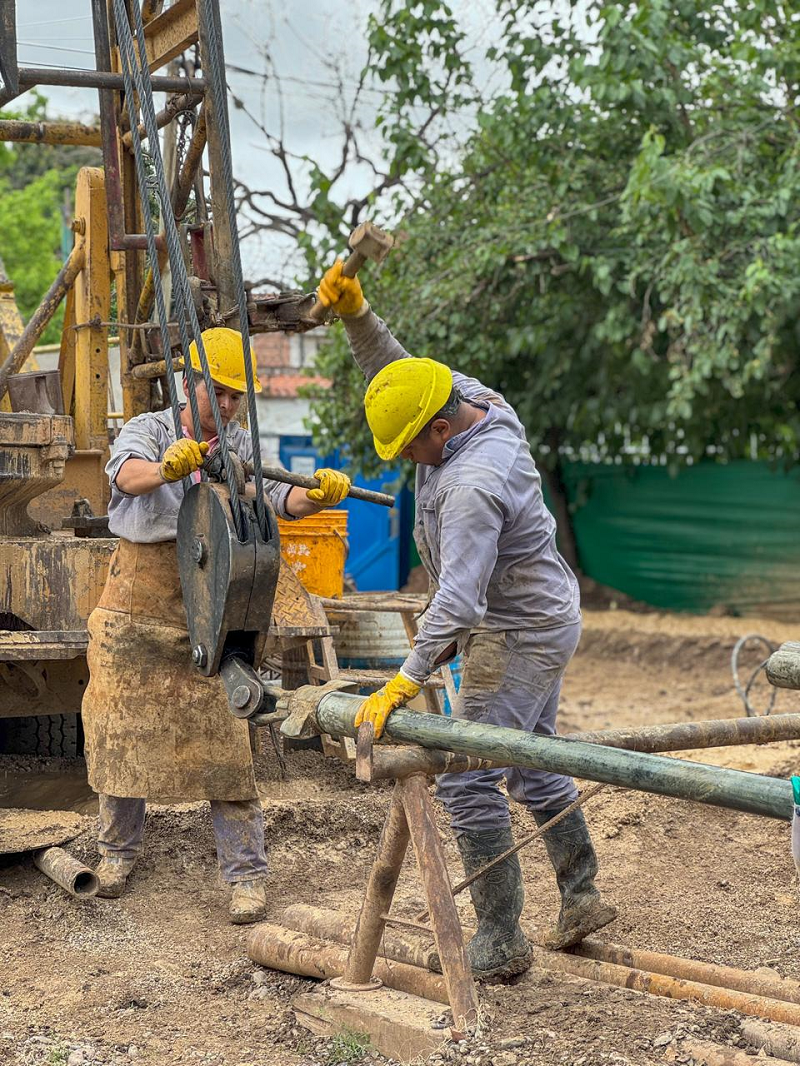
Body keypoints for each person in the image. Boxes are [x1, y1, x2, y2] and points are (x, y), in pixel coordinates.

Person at [316, 261, 616, 980]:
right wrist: (359, 316)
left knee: (467, 776)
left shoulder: (475, 485)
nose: (409, 460)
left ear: (444, 430)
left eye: (413, 447)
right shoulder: (475, 400)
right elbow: (406, 373)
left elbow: (459, 603)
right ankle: (581, 894)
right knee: (533, 754)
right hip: (541, 615)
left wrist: (403, 678)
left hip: (513, 632)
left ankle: (503, 940)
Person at [81, 327, 351, 924]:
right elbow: (124, 477)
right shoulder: (148, 430)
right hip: (136, 605)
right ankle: (116, 854)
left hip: (208, 608)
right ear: (190, 383)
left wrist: (317, 496)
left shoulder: (235, 442)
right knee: (122, 731)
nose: (228, 406)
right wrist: (166, 466)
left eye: (236, 396)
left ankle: (246, 874)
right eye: (219, 393)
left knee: (229, 737)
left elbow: (273, 497)